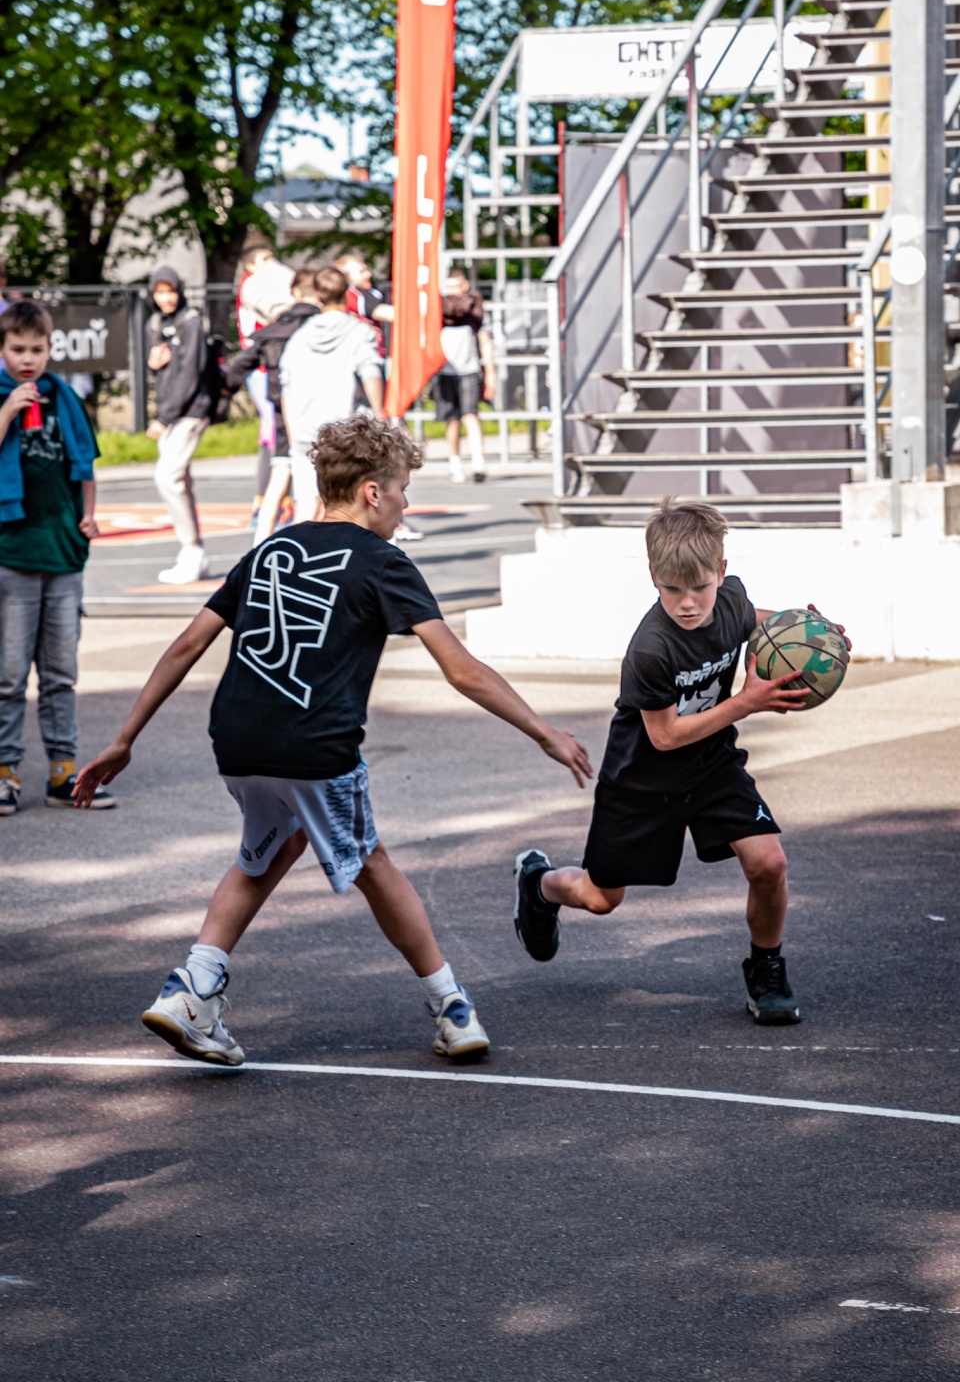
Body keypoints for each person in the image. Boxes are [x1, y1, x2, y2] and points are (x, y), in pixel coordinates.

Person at [74, 414, 592, 1066]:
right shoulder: (384, 561)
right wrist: (543, 731)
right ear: (373, 492)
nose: (404, 507)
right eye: (402, 491)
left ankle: (192, 987)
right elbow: (461, 669)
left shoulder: (270, 550)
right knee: (372, 863)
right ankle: (452, 1008)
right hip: (314, 749)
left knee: (270, 849)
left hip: (237, 743)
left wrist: (124, 740)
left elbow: (186, 645)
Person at [511, 499, 851, 1027]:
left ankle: (766, 970)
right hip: (641, 780)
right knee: (601, 898)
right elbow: (665, 736)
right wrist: (746, 702)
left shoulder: (731, 601)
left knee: (769, 864)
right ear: (653, 576)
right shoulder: (651, 649)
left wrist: (814, 633)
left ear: (721, 571)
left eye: (700, 588)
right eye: (672, 589)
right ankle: (540, 883)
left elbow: (758, 623)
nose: (687, 603)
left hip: (711, 764)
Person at [0, 301, 115, 816]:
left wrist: (88, 515)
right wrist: (8, 410)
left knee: (61, 671)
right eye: (17, 350)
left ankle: (63, 770)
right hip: (13, 551)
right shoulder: (4, 396)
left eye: (36, 350)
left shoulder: (63, 398)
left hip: (63, 551)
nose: (27, 359)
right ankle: (5, 770)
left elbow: (84, 464)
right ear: (3, 350)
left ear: (50, 349)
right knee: (8, 675)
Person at [279, 266, 384, 522]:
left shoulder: (300, 336)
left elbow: (287, 386)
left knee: (306, 506)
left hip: (306, 428)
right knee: (351, 506)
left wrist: (293, 433)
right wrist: (380, 413)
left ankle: (302, 548)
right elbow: (370, 373)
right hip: (345, 431)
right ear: (346, 293)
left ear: (317, 296)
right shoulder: (359, 331)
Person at [227, 267, 322, 546]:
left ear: (294, 292)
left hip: (282, 411)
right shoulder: (323, 325)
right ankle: (305, 545)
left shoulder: (274, 330)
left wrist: (223, 391)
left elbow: (239, 366)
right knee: (315, 483)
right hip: (316, 409)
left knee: (281, 472)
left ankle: (261, 540)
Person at [145, 267, 215, 585]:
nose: (166, 298)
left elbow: (190, 374)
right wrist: (152, 365)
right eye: (160, 292)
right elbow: (162, 371)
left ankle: (191, 549)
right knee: (180, 481)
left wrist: (164, 418)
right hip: (172, 412)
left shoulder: (191, 322)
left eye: (171, 290)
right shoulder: (156, 323)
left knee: (167, 477)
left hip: (190, 411)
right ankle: (194, 552)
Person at [236, 245, 296, 520]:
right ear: (250, 266)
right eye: (264, 259)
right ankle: (267, 501)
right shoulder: (254, 287)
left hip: (272, 365)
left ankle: (277, 498)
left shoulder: (270, 281)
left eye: (272, 257)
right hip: (263, 368)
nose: (271, 262)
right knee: (274, 431)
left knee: (279, 430)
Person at [432, 269, 496, 484]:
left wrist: (490, 373)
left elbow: (485, 341)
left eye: (455, 287)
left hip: (469, 369)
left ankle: (478, 462)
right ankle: (455, 463)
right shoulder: (440, 312)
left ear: (464, 286)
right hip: (445, 371)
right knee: (452, 419)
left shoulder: (475, 313)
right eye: (448, 288)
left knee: (471, 415)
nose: (452, 293)